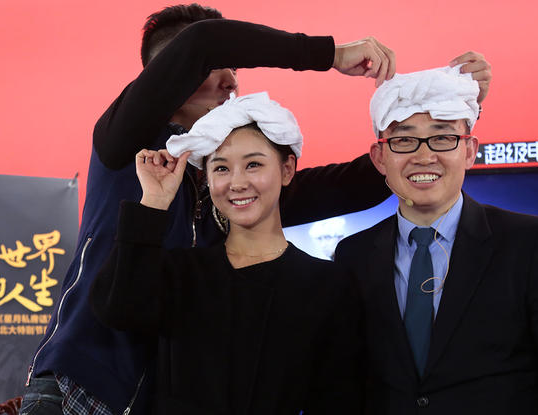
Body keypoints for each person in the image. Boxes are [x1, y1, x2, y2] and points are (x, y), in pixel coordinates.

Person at [19, 3, 492, 413]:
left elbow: (351, 185)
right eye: (217, 70)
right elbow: (203, 41)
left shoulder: (225, 190)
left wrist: (451, 111)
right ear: (169, 76)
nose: (233, 82)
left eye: (250, 166)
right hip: (81, 391)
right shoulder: (124, 144)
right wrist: (329, 54)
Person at [334, 66, 538, 414]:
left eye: (442, 137)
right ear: (379, 158)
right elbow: (341, 387)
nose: (424, 156)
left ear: (469, 150)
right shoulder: (353, 256)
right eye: (404, 140)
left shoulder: (531, 244)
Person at [91, 92, 362, 414]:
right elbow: (117, 311)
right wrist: (154, 202)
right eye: (221, 168)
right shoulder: (181, 272)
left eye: (253, 165)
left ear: (287, 169)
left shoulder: (327, 284)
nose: (237, 183)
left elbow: (338, 397)